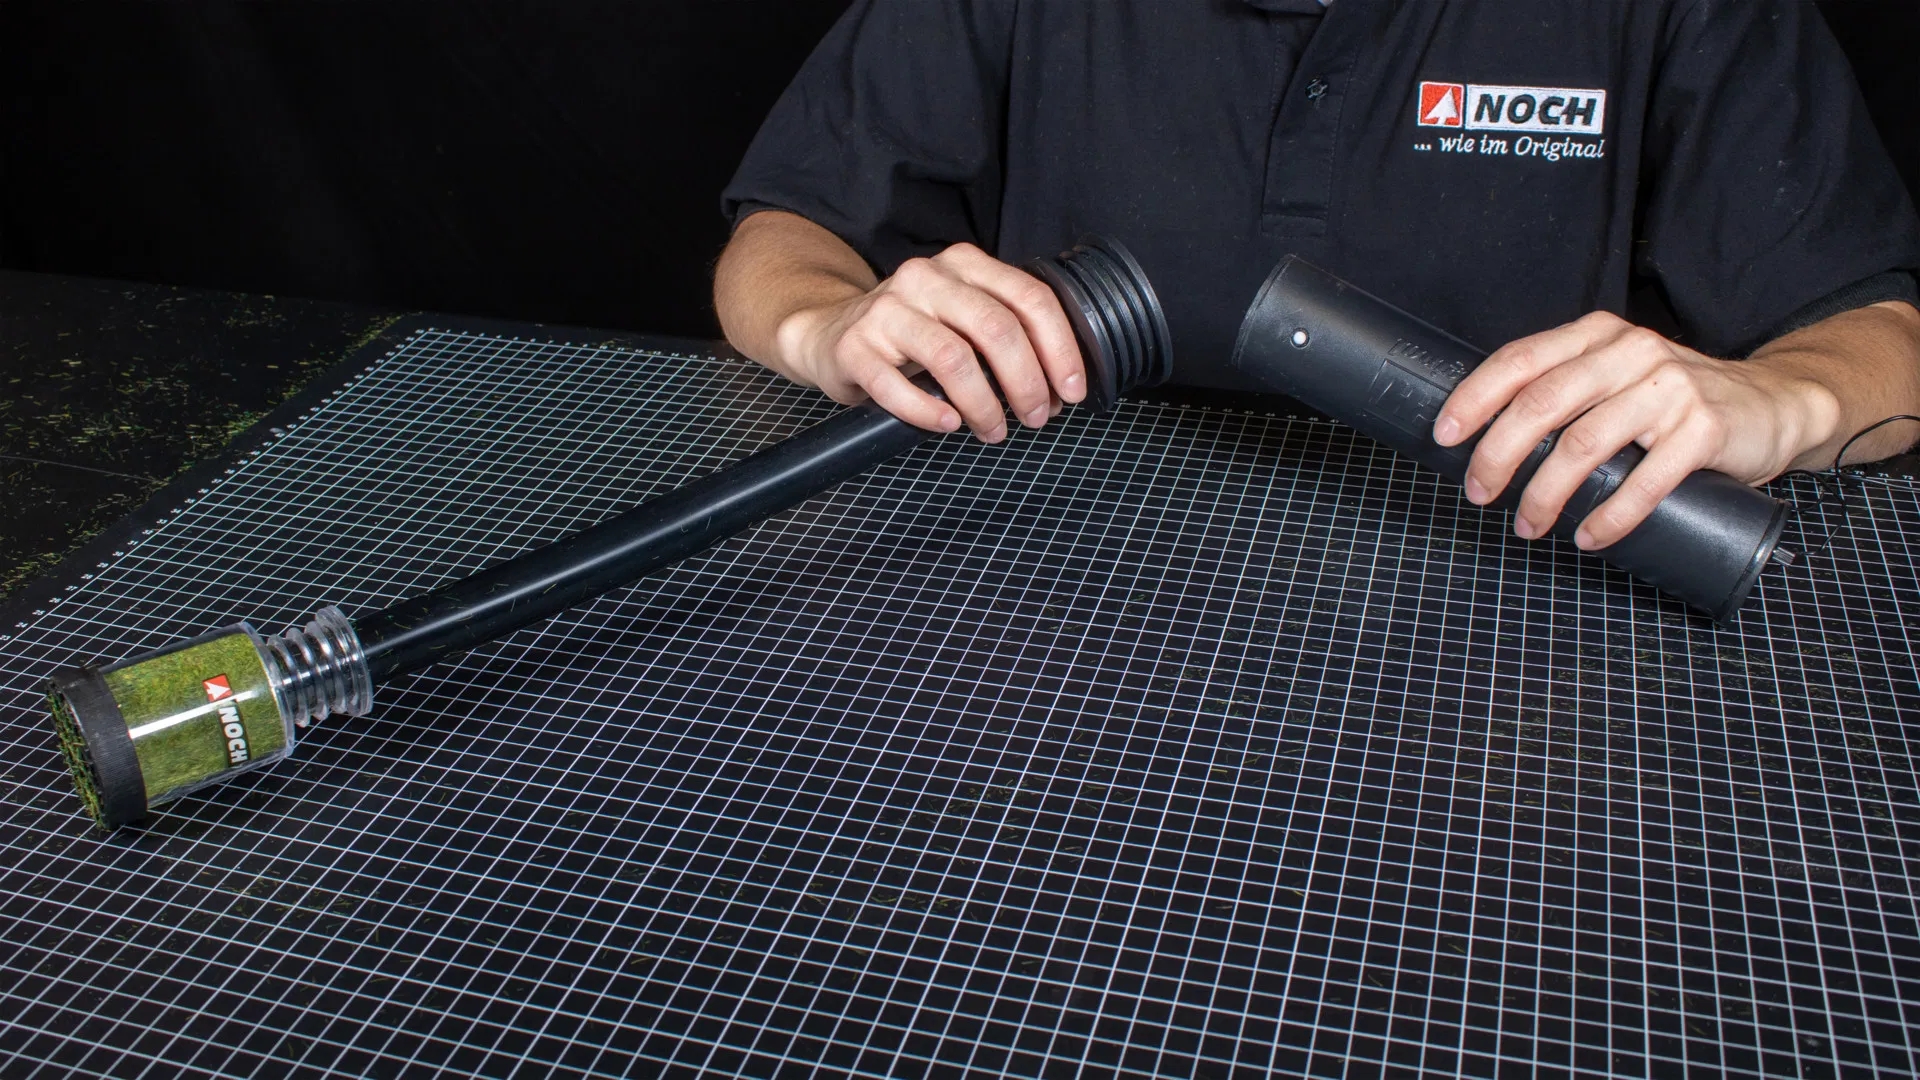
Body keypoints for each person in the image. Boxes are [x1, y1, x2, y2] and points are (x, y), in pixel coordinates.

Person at [712, 0, 1920, 551]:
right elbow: (785, 233)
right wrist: (827, 323)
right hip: (1041, 589)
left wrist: (1788, 398)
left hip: (1509, 648)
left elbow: (1882, 337)